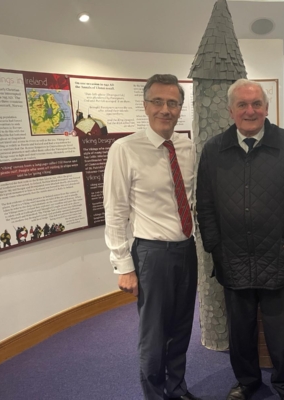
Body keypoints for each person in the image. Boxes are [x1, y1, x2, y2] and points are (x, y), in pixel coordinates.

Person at [196, 79, 284, 400]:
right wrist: (215, 247)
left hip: (278, 253)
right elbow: (205, 203)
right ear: (231, 110)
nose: (250, 111)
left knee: (279, 331)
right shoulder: (213, 150)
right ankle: (247, 382)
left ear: (266, 108)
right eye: (242, 104)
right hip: (232, 256)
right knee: (241, 330)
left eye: (256, 104)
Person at [103, 74, 200, 400]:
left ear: (180, 108)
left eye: (173, 103)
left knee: (182, 328)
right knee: (154, 336)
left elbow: (193, 199)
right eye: (157, 101)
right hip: (151, 254)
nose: (165, 109)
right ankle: (155, 396)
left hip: (187, 250)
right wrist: (123, 265)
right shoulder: (124, 149)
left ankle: (177, 389)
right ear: (146, 105)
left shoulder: (187, 148)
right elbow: (115, 211)